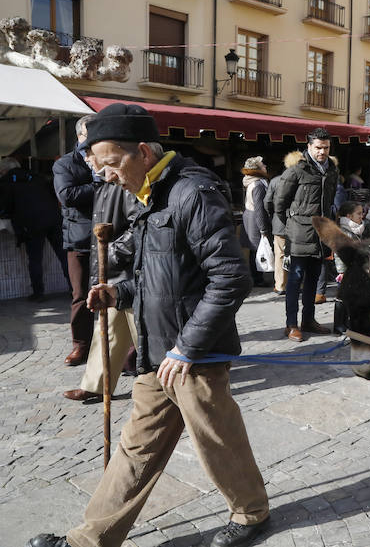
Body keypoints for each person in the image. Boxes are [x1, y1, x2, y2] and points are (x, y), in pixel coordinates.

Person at [27, 103, 269, 547]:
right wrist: (120, 292)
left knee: (218, 443)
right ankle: (89, 540)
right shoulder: (149, 196)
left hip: (194, 354)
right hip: (158, 350)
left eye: (111, 163)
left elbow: (232, 277)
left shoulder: (191, 193)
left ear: (141, 151)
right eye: (98, 167)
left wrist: (187, 348)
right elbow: (156, 274)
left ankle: (251, 513)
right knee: (136, 449)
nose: (105, 176)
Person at [63, 132, 141, 402]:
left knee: (142, 331)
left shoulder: (124, 181)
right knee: (107, 331)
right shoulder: (103, 183)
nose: (86, 160)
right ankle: (96, 384)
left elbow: (139, 225)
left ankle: (162, 382)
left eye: (89, 154)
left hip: (130, 273)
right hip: (113, 272)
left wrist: (114, 253)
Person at [274, 128, 338, 343]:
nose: (322, 152)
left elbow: (329, 204)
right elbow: (278, 203)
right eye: (318, 147)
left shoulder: (332, 171)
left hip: (321, 235)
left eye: (326, 148)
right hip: (299, 235)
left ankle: (308, 320)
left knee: (313, 280)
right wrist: (292, 227)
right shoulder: (297, 170)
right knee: (295, 280)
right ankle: (291, 324)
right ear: (309, 146)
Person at [53, 115, 96, 367]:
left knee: (117, 294)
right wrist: (99, 184)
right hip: (79, 239)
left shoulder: (105, 158)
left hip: (111, 238)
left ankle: (125, 351)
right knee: (80, 295)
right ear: (80, 136)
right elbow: (67, 195)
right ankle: (81, 346)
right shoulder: (64, 164)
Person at [0, 157, 67, 301]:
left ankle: (38, 294)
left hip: (31, 224)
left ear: (4, 170)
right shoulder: (36, 177)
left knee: (35, 259)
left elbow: (4, 207)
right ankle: (75, 289)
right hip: (53, 218)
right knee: (64, 255)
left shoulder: (5, 182)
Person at [332, 201, 365, 335]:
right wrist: (341, 271)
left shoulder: (356, 228)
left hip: (355, 268)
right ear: (349, 216)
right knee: (342, 297)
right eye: (358, 213)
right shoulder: (343, 231)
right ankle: (339, 325)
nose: (362, 216)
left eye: (362, 212)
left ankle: (349, 323)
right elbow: (339, 254)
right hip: (346, 270)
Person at [240, 156, 272, 288]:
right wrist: (263, 229)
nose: (265, 166)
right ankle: (257, 279)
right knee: (257, 248)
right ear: (257, 169)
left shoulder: (252, 181)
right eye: (262, 165)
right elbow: (259, 208)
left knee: (255, 249)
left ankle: (256, 276)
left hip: (249, 216)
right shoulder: (258, 184)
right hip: (254, 218)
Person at [264, 154, 292, 295]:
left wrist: (272, 215)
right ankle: (294, 284)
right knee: (296, 254)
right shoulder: (303, 180)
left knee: (280, 254)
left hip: (279, 223)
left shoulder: (275, 181)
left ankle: (280, 285)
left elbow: (267, 202)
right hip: (297, 224)